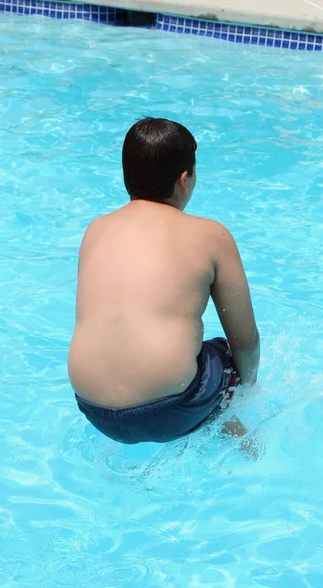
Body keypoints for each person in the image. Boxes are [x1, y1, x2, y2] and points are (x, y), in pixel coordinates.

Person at [68, 117, 260, 444]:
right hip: (171, 410)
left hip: (92, 408)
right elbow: (246, 341)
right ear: (184, 179)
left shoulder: (95, 230)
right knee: (224, 355)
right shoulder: (211, 235)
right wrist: (246, 394)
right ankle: (247, 446)